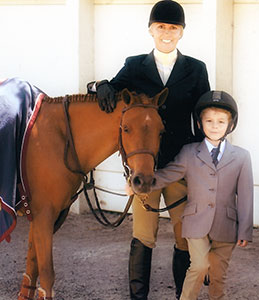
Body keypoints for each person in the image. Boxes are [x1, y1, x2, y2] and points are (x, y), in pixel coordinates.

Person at [87, 1, 210, 299]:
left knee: (184, 237)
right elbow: (108, 90)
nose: (166, 33)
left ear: (181, 32)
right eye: (161, 27)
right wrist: (100, 85)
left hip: (181, 165)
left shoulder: (195, 69)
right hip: (145, 168)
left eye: (173, 28)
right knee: (143, 235)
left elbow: (205, 116)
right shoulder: (134, 65)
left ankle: (184, 295)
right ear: (151, 30)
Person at [152, 90, 254, 300]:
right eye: (209, 121)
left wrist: (245, 230)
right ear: (199, 124)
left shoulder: (242, 156)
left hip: (226, 225)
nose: (214, 126)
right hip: (195, 221)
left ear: (231, 125)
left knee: (218, 275)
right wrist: (141, 184)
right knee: (198, 266)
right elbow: (168, 174)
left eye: (220, 121)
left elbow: (245, 196)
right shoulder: (189, 152)